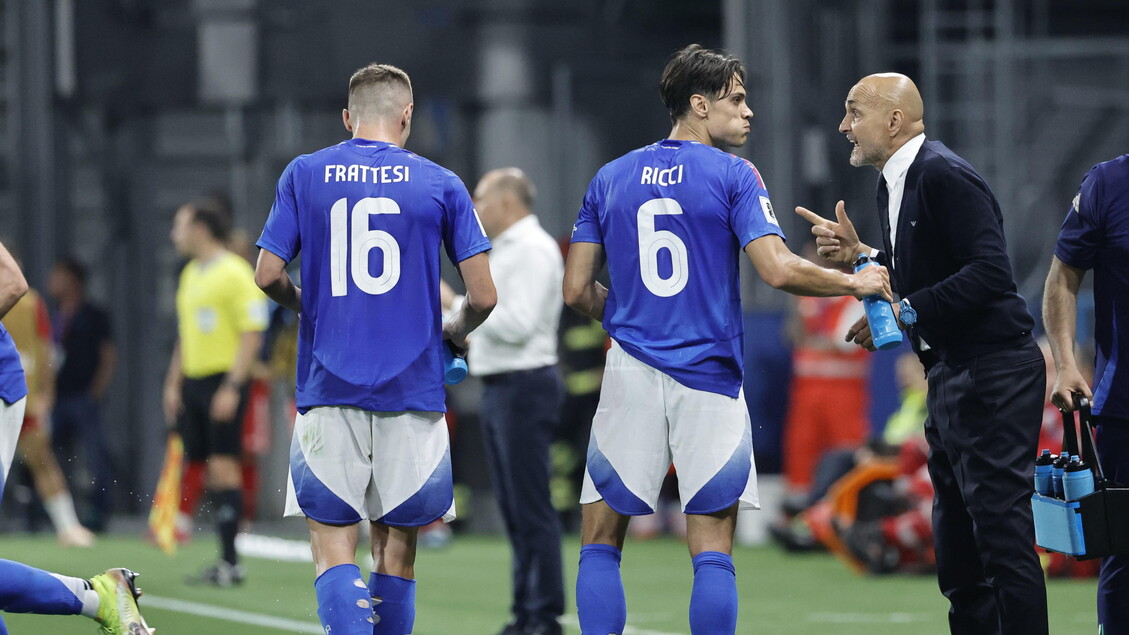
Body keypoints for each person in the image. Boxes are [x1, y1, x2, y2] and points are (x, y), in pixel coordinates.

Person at [562, 44, 890, 635]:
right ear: (698, 104)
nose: (748, 111)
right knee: (712, 549)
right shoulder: (735, 174)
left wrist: (634, 319)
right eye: (736, 99)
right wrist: (854, 281)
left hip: (630, 371)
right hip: (708, 376)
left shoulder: (609, 177)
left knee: (601, 542)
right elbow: (778, 270)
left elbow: (577, 289)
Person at [797, 73, 1047, 634]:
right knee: (957, 552)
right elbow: (925, 266)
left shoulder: (942, 174)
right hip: (955, 374)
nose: (843, 126)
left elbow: (989, 272)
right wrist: (862, 255)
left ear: (893, 120)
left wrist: (906, 311)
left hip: (993, 374)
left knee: (1001, 542)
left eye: (854, 112)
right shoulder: (897, 181)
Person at [254, 62, 496, 635]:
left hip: (327, 387)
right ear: (407, 115)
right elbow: (484, 296)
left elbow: (266, 275)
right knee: (396, 556)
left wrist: (308, 305)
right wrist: (454, 330)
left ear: (348, 118)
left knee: (333, 549)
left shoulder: (304, 173)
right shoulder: (441, 183)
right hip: (413, 391)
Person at [0, 240, 152, 635]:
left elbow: (12, 283)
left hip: (7, 389)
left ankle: (97, 589)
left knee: (48, 459)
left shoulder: (35, 303)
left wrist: (46, 393)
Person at [450, 167, 565, 635]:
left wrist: (462, 308)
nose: (475, 207)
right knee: (517, 511)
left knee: (531, 508)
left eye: (481, 197)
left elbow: (517, 324)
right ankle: (525, 613)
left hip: (525, 385)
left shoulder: (532, 249)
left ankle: (544, 616)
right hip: (505, 386)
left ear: (506, 201)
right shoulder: (510, 249)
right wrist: (462, 307)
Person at [1042, 154, 1129, 633]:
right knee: (1125, 550)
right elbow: (1063, 278)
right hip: (1124, 409)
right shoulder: (1109, 183)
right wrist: (1066, 364)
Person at [164, 197, 267, 585]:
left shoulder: (235, 273)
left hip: (222, 380)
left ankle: (231, 562)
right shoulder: (191, 274)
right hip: (193, 382)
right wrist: (173, 383)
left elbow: (252, 334)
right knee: (208, 468)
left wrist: (232, 386)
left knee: (225, 467)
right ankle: (225, 557)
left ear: (200, 229)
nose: (174, 234)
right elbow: (184, 334)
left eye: (180, 226)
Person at [1, 280, 96, 547]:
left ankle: (67, 525)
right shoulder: (30, 300)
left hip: (22, 393)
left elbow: (45, 348)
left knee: (41, 459)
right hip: (22, 392)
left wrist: (46, 394)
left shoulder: (30, 302)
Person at [782, 242, 870, 501]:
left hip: (842, 391)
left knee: (845, 446)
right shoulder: (805, 296)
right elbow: (793, 336)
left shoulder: (855, 289)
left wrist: (811, 340)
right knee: (801, 446)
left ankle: (845, 505)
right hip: (806, 388)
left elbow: (843, 341)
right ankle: (798, 510)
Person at [48, 257, 117, 532]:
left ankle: (98, 513)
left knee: (95, 455)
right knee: (49, 456)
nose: (53, 281)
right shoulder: (53, 314)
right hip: (57, 398)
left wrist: (96, 391)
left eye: (58, 275)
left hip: (83, 397)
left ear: (73, 280)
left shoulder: (94, 315)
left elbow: (108, 355)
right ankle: (56, 515)